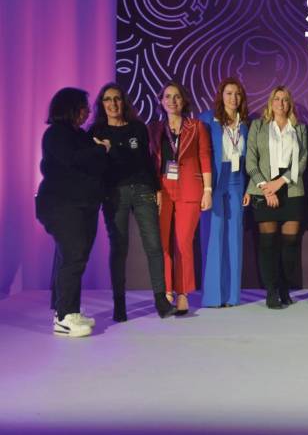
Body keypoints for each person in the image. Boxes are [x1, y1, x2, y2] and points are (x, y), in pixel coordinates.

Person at [89, 83, 176, 321]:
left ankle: (161, 299)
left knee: (154, 245)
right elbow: (94, 166)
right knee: (119, 248)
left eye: (117, 99)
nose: (113, 104)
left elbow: (144, 161)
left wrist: (157, 188)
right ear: (102, 104)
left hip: (142, 190)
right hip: (113, 193)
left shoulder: (138, 128)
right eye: (107, 99)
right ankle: (119, 304)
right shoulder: (96, 130)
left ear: (123, 102)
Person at [36, 88, 109, 337]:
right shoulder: (56, 134)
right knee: (73, 255)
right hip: (60, 205)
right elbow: (76, 160)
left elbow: (95, 163)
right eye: (83, 107)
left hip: (83, 205)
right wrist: (100, 149)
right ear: (69, 108)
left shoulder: (80, 135)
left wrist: (98, 152)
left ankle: (69, 309)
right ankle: (64, 316)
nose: (88, 111)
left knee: (75, 257)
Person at [148, 81, 213, 316]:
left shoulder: (196, 127)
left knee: (183, 242)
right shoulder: (154, 129)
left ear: (184, 101)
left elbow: (205, 157)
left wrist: (208, 190)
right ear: (161, 101)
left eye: (177, 97)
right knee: (162, 243)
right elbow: (150, 162)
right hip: (162, 189)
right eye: (167, 96)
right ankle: (166, 291)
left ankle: (183, 292)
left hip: (190, 188)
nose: (172, 101)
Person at [245, 86, 308, 310]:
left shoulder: (299, 129)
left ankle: (284, 287)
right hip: (263, 189)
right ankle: (271, 290)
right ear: (270, 102)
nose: (280, 103)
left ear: (289, 104)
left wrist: (279, 183)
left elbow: (301, 161)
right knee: (268, 245)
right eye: (277, 99)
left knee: (290, 246)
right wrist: (266, 187)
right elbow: (250, 160)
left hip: (291, 189)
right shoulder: (258, 126)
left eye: (285, 100)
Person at [199, 78, 250, 308]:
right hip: (215, 181)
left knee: (234, 238)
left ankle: (231, 296)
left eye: (237, 94)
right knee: (214, 236)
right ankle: (213, 296)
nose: (233, 98)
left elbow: (251, 158)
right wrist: (205, 187)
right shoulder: (207, 120)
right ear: (221, 95)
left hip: (237, 181)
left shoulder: (245, 124)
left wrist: (249, 187)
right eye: (229, 93)